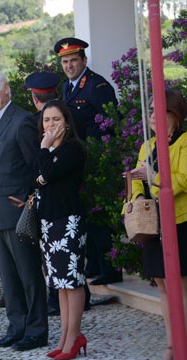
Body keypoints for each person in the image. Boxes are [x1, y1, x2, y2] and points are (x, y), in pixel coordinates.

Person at [0, 70, 48, 351]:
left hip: (17, 212)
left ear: (6, 89)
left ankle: (36, 330)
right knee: (8, 278)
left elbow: (35, 165)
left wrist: (27, 197)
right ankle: (16, 327)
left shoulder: (22, 120)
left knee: (29, 275)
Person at [127, 88, 187, 360]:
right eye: (150, 110)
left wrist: (154, 177)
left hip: (180, 221)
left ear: (174, 114)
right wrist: (139, 196)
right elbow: (138, 180)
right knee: (162, 284)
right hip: (154, 225)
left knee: (181, 287)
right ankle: (172, 346)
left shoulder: (185, 142)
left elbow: (183, 179)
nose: (152, 115)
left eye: (158, 110)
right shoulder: (147, 146)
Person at [55, 37, 121, 285]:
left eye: (73, 60)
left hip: (98, 161)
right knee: (87, 215)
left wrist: (99, 152)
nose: (69, 66)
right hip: (80, 161)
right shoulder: (67, 87)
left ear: (84, 60)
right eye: (65, 62)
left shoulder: (97, 85)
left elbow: (112, 122)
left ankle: (110, 267)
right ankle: (94, 264)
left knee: (100, 217)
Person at [36, 100, 88, 360]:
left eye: (56, 119)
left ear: (67, 122)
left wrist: (44, 151)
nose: (51, 125)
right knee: (59, 283)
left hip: (69, 221)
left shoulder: (72, 148)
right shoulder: (51, 150)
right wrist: (44, 169)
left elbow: (46, 174)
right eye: (46, 120)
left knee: (72, 280)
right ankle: (65, 336)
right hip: (49, 221)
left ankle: (74, 337)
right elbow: (37, 176)